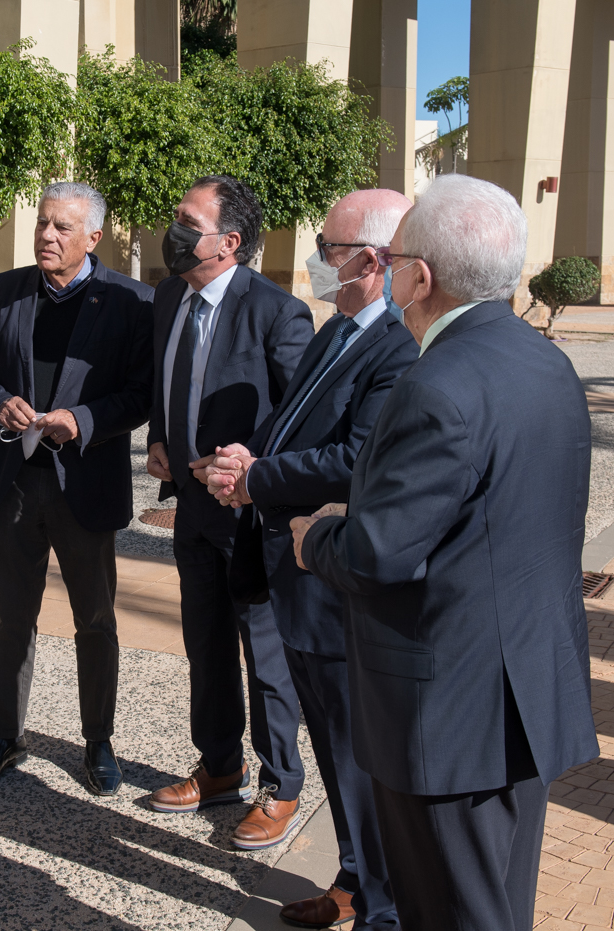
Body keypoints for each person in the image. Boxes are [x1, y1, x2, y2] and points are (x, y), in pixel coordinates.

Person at [294, 174, 599, 931]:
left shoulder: (437, 384)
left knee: (452, 912)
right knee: (497, 905)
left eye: (393, 259)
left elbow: (377, 555)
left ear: (419, 276)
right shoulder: (544, 360)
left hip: (446, 716)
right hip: (523, 696)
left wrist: (316, 535)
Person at [200, 190, 417, 928]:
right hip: (294, 573)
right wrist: (250, 453)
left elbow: (357, 457)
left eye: (329, 247)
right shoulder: (339, 330)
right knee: (332, 747)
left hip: (335, 587)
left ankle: (381, 903)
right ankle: (354, 878)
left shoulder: (398, 346)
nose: (319, 260)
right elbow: (293, 424)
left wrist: (256, 479)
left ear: (374, 259)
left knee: (360, 755)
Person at [0, 181, 154, 795]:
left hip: (86, 487)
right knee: (10, 620)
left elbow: (142, 394)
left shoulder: (130, 301)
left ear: (93, 237)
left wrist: (85, 421)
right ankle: (5, 736)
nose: (47, 235)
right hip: (17, 482)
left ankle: (97, 741)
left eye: (62, 228)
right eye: (43, 223)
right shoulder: (3, 291)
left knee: (95, 621)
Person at [144, 175, 315, 852]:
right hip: (191, 508)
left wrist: (253, 465)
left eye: (189, 220)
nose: (174, 228)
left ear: (230, 241)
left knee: (264, 654)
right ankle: (219, 768)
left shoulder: (278, 312)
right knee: (205, 644)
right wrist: (162, 437)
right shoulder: (168, 296)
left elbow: (305, 416)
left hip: (251, 518)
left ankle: (284, 785)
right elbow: (167, 380)